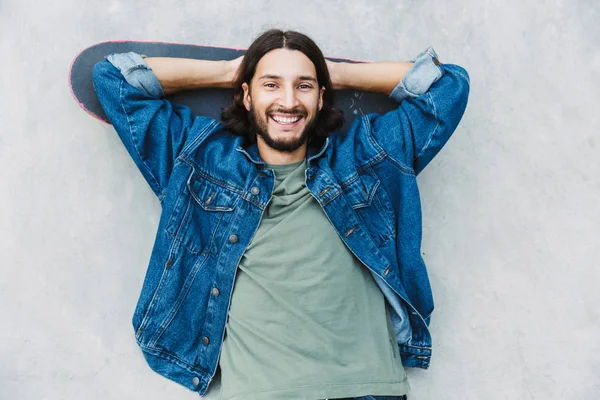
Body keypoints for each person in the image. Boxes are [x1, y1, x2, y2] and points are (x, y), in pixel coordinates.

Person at [91, 29, 469, 400]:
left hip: (368, 389)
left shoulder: (367, 157)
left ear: (322, 99)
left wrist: (335, 74)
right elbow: (114, 79)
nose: (288, 101)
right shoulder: (200, 159)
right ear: (246, 96)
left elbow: (448, 87)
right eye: (270, 85)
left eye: (303, 86)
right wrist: (230, 72)